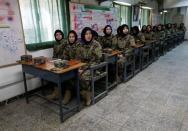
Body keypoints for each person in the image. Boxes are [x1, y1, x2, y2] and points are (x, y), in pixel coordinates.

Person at [76, 27, 102, 106]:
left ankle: (87, 95)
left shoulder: (96, 44)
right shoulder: (79, 44)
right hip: (83, 66)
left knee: (83, 76)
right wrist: (79, 67)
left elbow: (98, 59)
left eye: (90, 33)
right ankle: (85, 93)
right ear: (83, 35)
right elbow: (78, 58)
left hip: (95, 66)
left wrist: (84, 68)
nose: (88, 36)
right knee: (73, 73)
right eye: (86, 34)